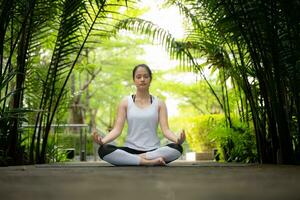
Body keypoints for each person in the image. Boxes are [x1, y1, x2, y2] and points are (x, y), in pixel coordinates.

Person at [92, 64, 185, 166]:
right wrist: (103, 141)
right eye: (138, 77)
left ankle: (135, 160)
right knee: (103, 150)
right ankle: (149, 162)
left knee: (177, 148)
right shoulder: (125, 102)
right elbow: (117, 130)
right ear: (134, 80)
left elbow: (166, 130)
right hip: (130, 149)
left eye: (146, 76)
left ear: (150, 79)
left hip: (153, 150)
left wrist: (177, 140)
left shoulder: (159, 103)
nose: (142, 79)